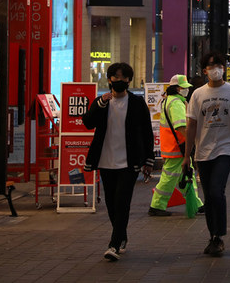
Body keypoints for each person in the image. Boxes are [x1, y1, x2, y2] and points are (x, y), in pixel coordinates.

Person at [82, 62, 154, 261]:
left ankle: (113, 244)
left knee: (122, 202)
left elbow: (147, 133)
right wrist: (99, 105)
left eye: (123, 77)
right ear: (109, 79)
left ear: (129, 80)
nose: (119, 81)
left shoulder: (137, 103)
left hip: (129, 162)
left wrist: (148, 160)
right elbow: (87, 122)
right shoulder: (102, 102)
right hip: (106, 160)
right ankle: (121, 236)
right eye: (116, 77)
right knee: (111, 203)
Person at [183, 52, 230, 257]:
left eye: (218, 64)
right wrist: (187, 155)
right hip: (203, 151)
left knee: (216, 191)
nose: (215, 68)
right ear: (204, 71)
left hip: (225, 149)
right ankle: (213, 236)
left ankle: (219, 235)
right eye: (211, 66)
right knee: (209, 196)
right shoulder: (197, 94)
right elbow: (191, 126)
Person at [149, 74, 204, 216]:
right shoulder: (176, 103)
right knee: (169, 178)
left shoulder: (170, 101)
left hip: (174, 147)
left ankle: (196, 204)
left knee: (187, 174)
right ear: (177, 88)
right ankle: (157, 206)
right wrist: (193, 142)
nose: (186, 90)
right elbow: (180, 127)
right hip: (177, 147)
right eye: (183, 87)